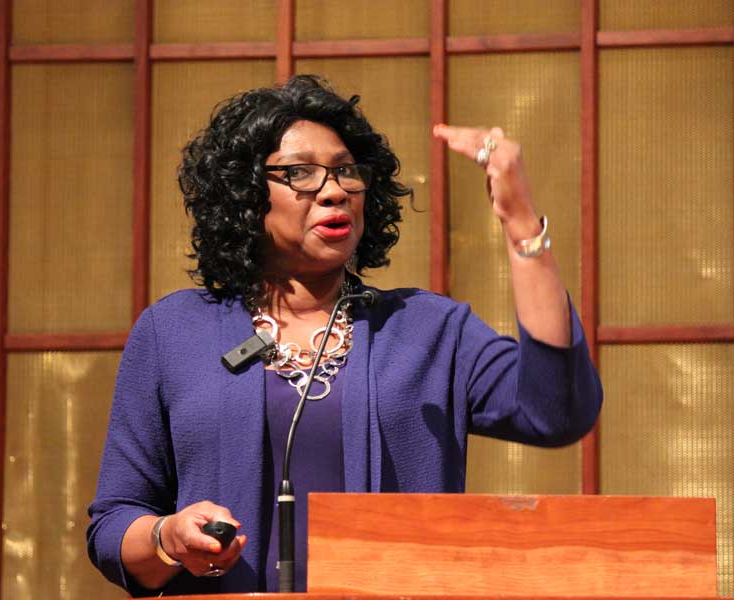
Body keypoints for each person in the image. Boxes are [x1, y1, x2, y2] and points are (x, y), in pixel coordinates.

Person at [86, 75, 602, 596]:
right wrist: (166, 537)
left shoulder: (429, 331)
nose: (334, 190)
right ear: (245, 192)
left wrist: (520, 224)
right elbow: (113, 527)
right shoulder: (173, 333)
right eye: (301, 173)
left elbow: (557, 411)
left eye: (345, 172)